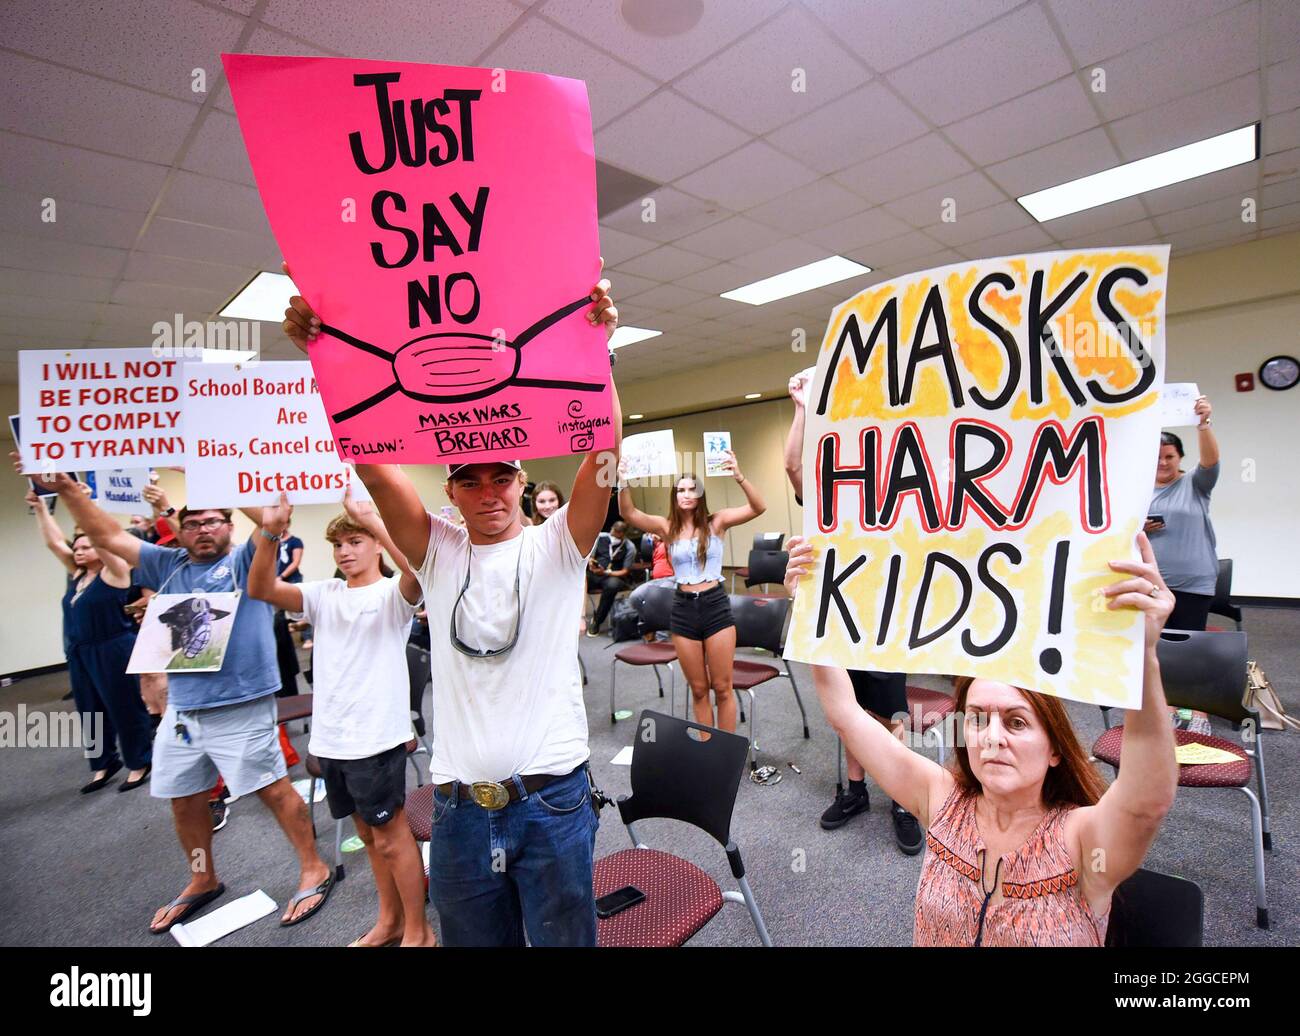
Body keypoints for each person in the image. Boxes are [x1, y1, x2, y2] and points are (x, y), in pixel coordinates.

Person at [281, 264, 620, 947]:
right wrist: (327, 354)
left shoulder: (557, 548)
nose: (489, 492)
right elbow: (374, 464)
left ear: (523, 482)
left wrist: (597, 353)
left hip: (552, 801)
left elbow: (603, 456)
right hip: (462, 811)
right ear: (452, 487)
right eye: (472, 480)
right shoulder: (436, 550)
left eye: (503, 476)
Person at [783, 532, 1179, 946]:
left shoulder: (1081, 840)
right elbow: (847, 715)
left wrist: (1143, 655)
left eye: (1016, 723)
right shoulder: (941, 800)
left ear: (1056, 750)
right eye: (976, 719)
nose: (992, 737)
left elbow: (1145, 804)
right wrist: (811, 608)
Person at [40, 473, 336, 933]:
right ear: (178, 529)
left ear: (229, 525)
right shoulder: (166, 565)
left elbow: (271, 523)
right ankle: (203, 875)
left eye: (213, 520)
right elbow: (106, 535)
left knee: (273, 790)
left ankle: (312, 866)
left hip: (241, 702)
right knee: (184, 801)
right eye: (193, 522)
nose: (203, 529)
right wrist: (68, 489)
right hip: (183, 708)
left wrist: (203, 467)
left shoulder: (245, 559)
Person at [249, 489, 435, 947]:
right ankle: (389, 922)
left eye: (356, 541)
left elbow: (419, 571)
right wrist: (271, 533)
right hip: (332, 740)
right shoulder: (323, 594)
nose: (346, 551)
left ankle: (419, 931)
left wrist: (374, 520)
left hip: (375, 740)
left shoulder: (392, 595)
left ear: (374, 544)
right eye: (339, 545)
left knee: (392, 838)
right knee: (368, 840)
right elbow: (260, 589)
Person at [783, 366, 923, 852]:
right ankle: (857, 791)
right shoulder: (831, 493)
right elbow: (793, 467)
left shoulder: (902, 489)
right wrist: (802, 410)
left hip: (888, 617)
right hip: (842, 614)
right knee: (853, 710)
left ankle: (903, 799)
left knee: (892, 713)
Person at [617, 453, 764, 732]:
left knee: (722, 687)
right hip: (683, 608)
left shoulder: (716, 522)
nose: (686, 495)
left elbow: (758, 507)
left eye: (691, 490)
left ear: (699, 496)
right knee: (698, 689)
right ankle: (708, 750)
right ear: (674, 496)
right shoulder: (666, 527)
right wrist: (622, 480)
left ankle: (726, 752)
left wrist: (739, 476)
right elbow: (629, 513)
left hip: (715, 606)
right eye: (680, 490)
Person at [25, 485, 153, 793]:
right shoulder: (77, 575)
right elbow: (55, 543)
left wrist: (82, 503)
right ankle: (104, 762)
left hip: (113, 647)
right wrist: (41, 508)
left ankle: (139, 761)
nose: (78, 551)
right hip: (80, 652)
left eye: (85, 546)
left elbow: (104, 536)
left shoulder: (116, 571)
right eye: (77, 547)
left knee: (123, 706)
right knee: (89, 710)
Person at [1147, 395, 1220, 631]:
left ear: (1180, 458)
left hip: (1193, 584)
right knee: (1151, 647)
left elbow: (1210, 461)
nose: (1163, 462)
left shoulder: (1196, 483)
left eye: (1169, 456)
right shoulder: (1137, 490)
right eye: (1157, 457)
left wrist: (1204, 424)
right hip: (1151, 583)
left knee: (1185, 647)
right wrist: (1139, 526)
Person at [585, 520, 635, 636]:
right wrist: (592, 563)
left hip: (612, 576)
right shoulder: (600, 537)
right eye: (613, 530)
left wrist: (606, 573)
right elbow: (590, 557)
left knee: (613, 585)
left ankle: (597, 621)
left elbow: (625, 571)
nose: (613, 534)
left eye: (617, 532)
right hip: (594, 573)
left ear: (623, 534)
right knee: (579, 579)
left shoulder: (629, 547)